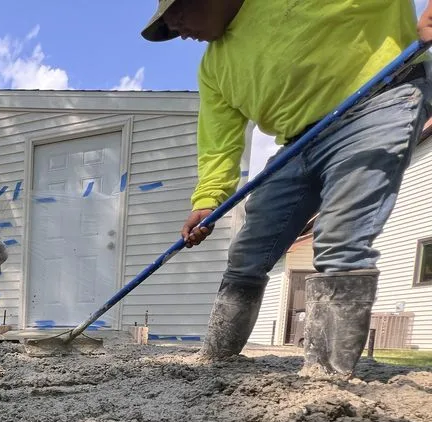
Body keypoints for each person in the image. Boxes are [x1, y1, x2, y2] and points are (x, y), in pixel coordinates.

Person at [142, 0, 432, 375]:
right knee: (246, 255)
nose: (178, 31)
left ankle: (325, 377)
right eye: (169, 27)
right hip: (297, 145)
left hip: (377, 102)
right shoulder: (213, 68)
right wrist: (208, 200)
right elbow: (219, 144)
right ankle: (216, 357)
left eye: (177, 15)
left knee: (339, 240)